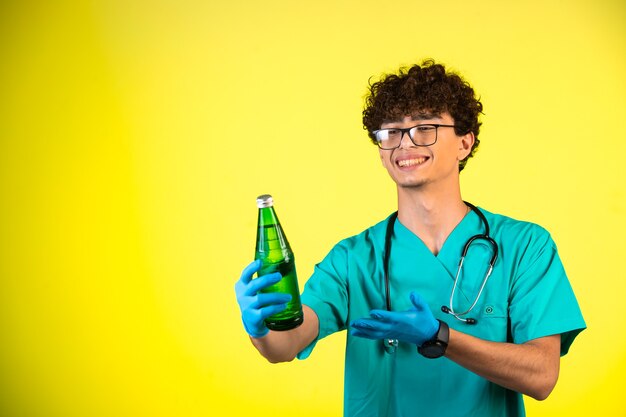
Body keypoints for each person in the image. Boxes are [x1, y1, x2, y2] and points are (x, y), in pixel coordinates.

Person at [235, 59, 586, 417]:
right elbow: (285, 345)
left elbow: (542, 375)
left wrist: (440, 336)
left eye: (424, 128)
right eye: (390, 132)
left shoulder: (525, 246)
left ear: (464, 143)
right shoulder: (353, 259)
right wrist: (263, 325)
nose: (405, 143)